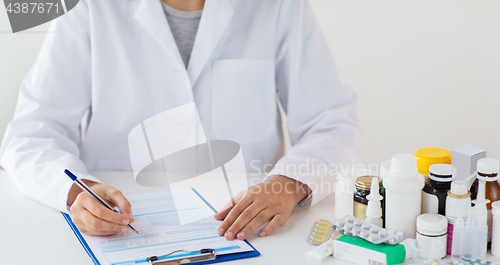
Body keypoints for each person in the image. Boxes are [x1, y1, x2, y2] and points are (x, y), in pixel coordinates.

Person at [0, 0, 361, 239]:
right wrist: (78, 190)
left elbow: (332, 122)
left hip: (248, 234)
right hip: (123, 231)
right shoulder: (90, 7)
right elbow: (33, 132)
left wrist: (289, 182)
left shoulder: (278, 6)